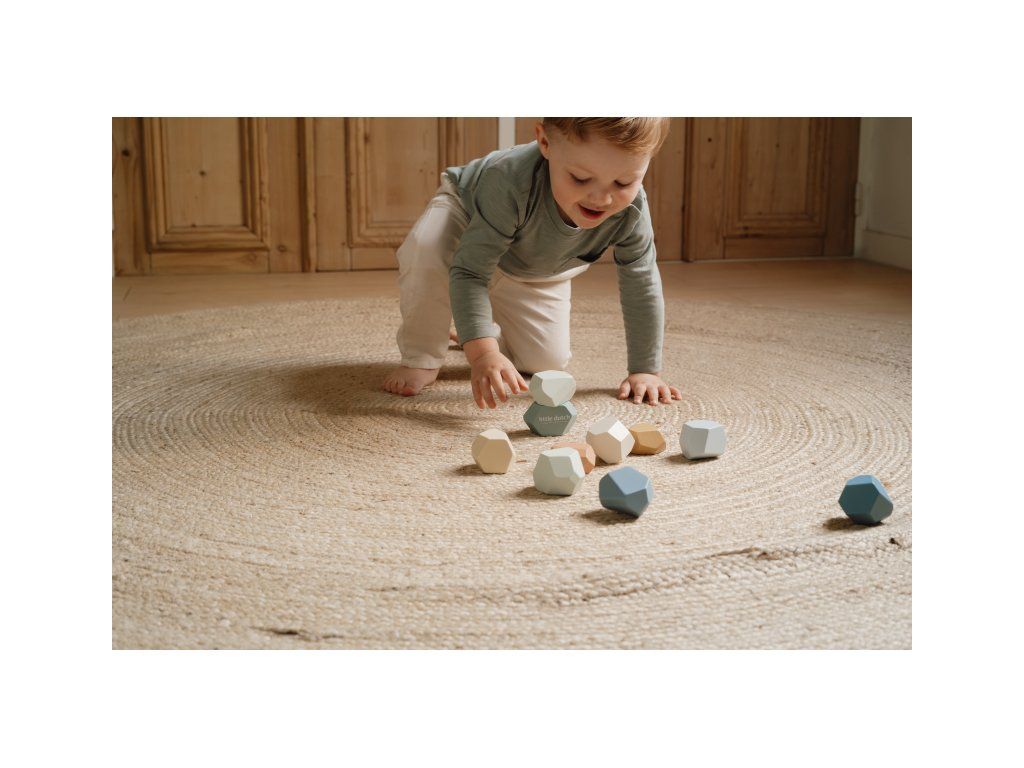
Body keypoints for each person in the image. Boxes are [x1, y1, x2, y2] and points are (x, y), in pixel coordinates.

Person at [382, 117, 683, 409]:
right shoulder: (509, 179)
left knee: (545, 363)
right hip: (467, 222)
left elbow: (642, 284)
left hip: (534, 266)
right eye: (580, 178)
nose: (601, 198)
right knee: (427, 249)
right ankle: (422, 357)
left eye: (623, 182)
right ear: (545, 142)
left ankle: (476, 325)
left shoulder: (632, 211)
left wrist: (645, 369)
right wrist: (482, 354)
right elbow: (471, 270)